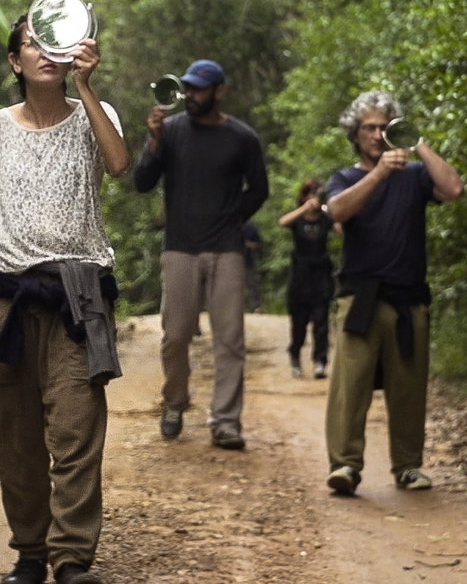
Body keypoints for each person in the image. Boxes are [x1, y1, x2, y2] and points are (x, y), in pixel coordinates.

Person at [0, 10, 129, 584]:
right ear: (14, 62)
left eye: (55, 42)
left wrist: (88, 88)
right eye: (31, 44)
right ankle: (30, 550)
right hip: (9, 298)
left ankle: (73, 560)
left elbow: (120, 164)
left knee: (76, 430)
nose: (45, 52)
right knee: (18, 437)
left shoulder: (93, 115)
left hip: (79, 295)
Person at [322, 90, 465, 496]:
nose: (377, 134)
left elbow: (454, 190)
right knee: (351, 387)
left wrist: (415, 140)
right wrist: (381, 172)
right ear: (356, 133)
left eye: (386, 127)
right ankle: (345, 466)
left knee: (409, 387)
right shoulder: (347, 177)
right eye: (369, 128)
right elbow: (338, 211)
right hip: (360, 297)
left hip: (410, 299)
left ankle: (408, 465)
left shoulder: (417, 176)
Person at [134, 59, 269, 450]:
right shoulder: (171, 131)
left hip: (226, 250)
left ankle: (226, 421)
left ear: (219, 91)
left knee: (230, 340)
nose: (191, 95)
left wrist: (232, 219)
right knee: (175, 336)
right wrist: (154, 142)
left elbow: (259, 190)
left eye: (199, 89)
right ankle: (175, 402)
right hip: (180, 248)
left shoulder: (242, 138)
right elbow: (143, 182)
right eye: (188, 88)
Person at [277, 178, 337, 380]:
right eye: (310, 194)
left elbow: (342, 230)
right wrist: (304, 209)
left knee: (321, 322)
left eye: (317, 195)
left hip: (321, 275)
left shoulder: (325, 219)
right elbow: (283, 222)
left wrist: (328, 209)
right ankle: (295, 356)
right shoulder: (299, 219)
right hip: (300, 276)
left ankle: (320, 361)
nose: (314, 199)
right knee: (299, 324)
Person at [242, 221, 264, 312]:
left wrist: (247, 244)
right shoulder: (229, 225)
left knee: (252, 285)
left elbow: (259, 244)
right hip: (229, 261)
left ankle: (256, 307)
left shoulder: (251, 227)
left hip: (248, 261)